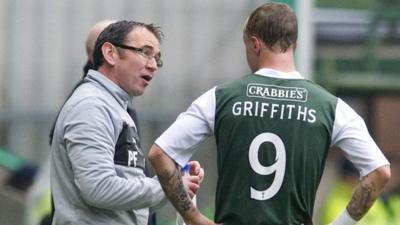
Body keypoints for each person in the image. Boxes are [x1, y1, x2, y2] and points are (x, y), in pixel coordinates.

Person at [148, 3, 391, 225]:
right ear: (294, 44)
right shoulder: (331, 107)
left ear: (255, 44)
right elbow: (379, 171)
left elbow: (160, 153)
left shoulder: (220, 98)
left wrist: (193, 218)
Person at [50, 20, 204, 225]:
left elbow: (125, 185)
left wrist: (174, 178)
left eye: (157, 58)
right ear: (110, 53)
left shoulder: (113, 106)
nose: (152, 65)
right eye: (144, 52)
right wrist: (171, 187)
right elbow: (99, 188)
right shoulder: (92, 106)